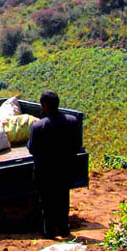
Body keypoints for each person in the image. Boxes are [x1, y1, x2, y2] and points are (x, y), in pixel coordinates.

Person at [27, 90, 82, 239]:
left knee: (46, 201)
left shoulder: (38, 126)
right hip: (65, 168)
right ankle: (64, 229)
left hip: (44, 171)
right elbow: (78, 145)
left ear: (44, 105)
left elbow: (32, 149)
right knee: (63, 198)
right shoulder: (72, 121)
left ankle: (49, 231)